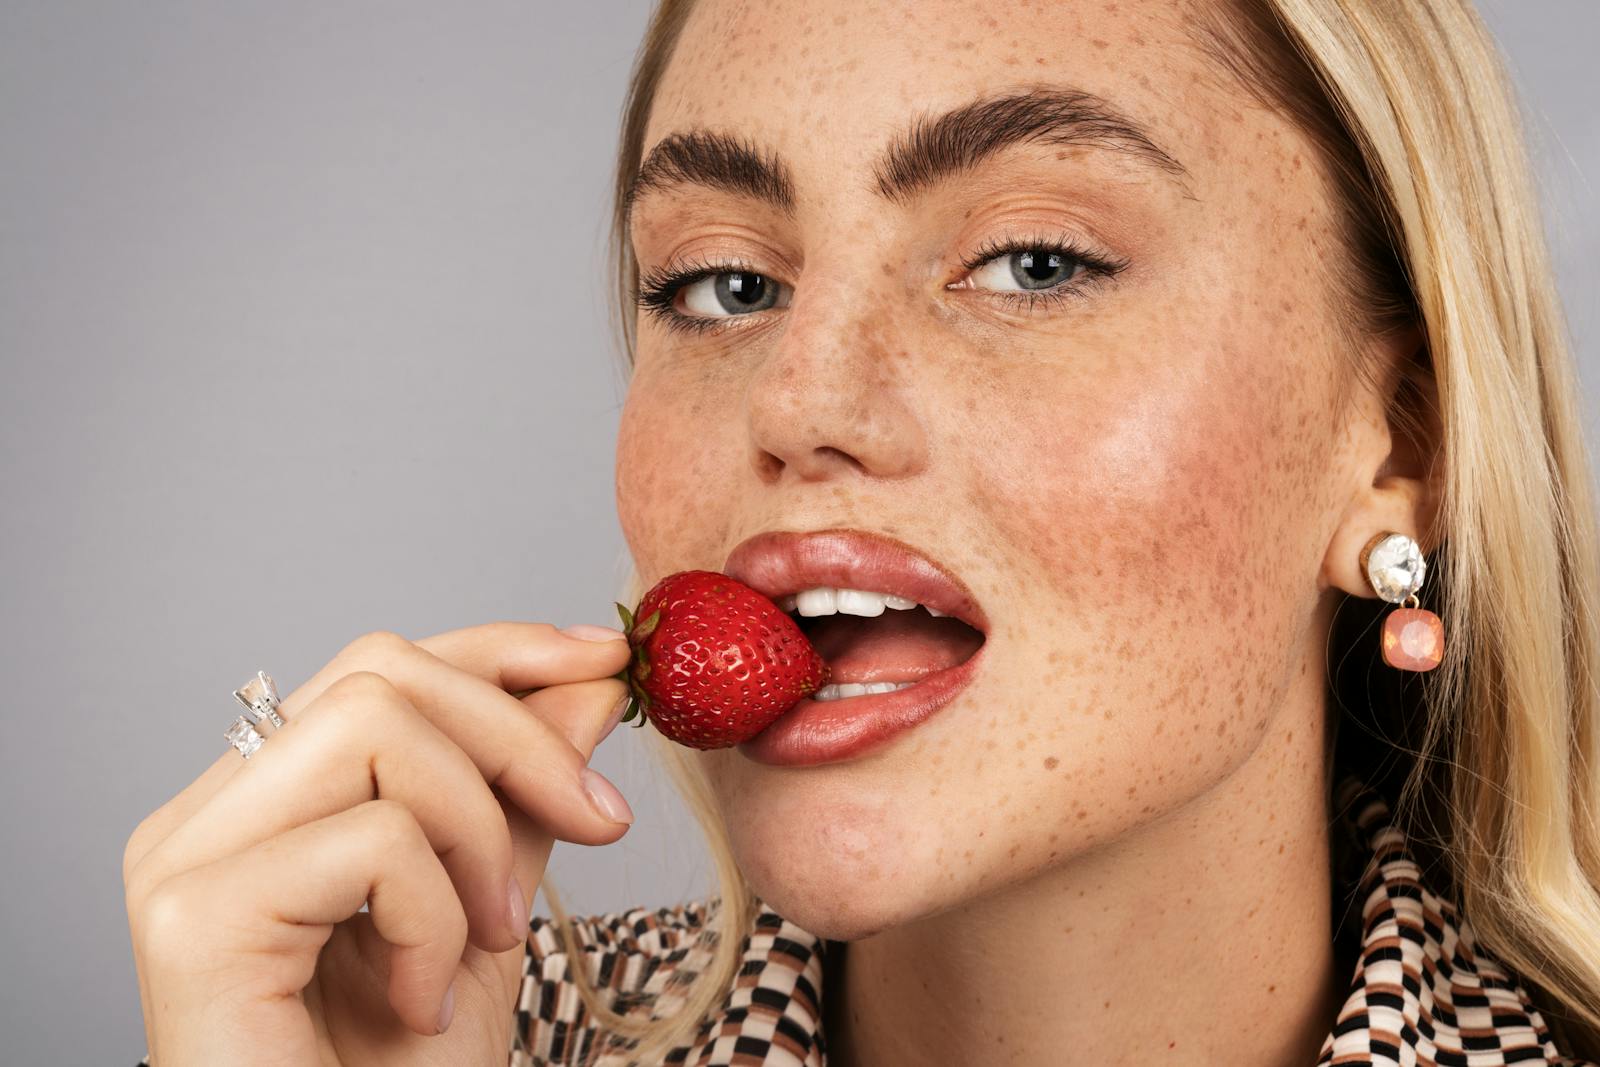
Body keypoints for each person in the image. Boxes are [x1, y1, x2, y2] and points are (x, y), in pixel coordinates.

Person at [124, 0, 1600, 1063]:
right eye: (722, 285)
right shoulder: (413, 1039)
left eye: (1034, 260)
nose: (800, 399)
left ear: (1404, 445)